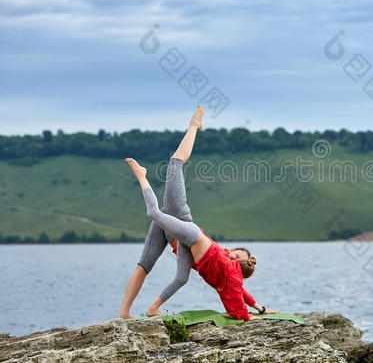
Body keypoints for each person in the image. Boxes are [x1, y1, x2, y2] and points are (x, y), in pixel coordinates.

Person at [117, 106, 278, 320]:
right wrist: (254, 313)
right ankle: (193, 126)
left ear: (238, 265)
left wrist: (260, 310)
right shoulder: (222, 256)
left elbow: (238, 291)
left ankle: (148, 309)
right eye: (235, 252)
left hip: (181, 241)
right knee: (175, 164)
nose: (231, 253)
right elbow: (237, 292)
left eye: (236, 257)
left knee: (179, 277)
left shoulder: (230, 271)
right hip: (180, 219)